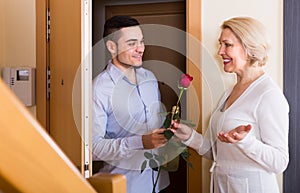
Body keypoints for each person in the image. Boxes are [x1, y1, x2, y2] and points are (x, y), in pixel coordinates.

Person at [171, 17, 289, 193]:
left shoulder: (268, 94)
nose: (220, 51)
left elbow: (279, 162)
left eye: (227, 45)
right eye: (221, 44)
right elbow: (221, 154)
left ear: (249, 48)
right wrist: (191, 137)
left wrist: (247, 142)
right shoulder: (229, 92)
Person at [92, 15, 169, 193]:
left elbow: (155, 121)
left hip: (159, 183)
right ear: (111, 47)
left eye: (141, 42)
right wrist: (139, 142)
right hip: (127, 186)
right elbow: (93, 149)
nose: (140, 49)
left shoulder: (149, 77)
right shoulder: (99, 89)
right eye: (132, 43)